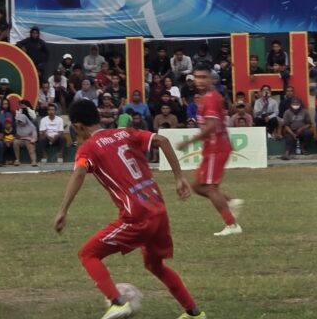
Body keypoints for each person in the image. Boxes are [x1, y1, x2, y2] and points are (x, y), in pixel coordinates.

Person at [54, 99, 205, 319]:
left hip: (137, 215)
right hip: (158, 210)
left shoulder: (88, 148)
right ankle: (194, 313)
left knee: (88, 254)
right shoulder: (124, 132)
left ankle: (117, 303)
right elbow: (161, 140)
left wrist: (63, 210)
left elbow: (78, 173)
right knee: (155, 265)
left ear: (78, 126)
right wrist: (179, 178)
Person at [177, 65, 243, 237]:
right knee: (197, 185)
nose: (199, 80)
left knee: (209, 187)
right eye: (197, 77)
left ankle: (232, 224)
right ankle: (229, 202)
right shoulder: (206, 97)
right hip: (212, 147)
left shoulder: (212, 98)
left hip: (216, 147)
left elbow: (211, 126)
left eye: (203, 77)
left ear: (211, 79)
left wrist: (189, 142)